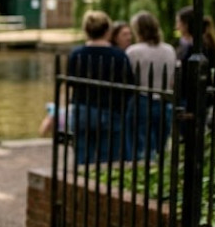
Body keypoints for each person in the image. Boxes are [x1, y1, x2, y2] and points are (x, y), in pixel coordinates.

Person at [67, 10, 134, 164]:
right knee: (109, 162)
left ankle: (82, 185)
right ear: (108, 31)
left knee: (82, 158)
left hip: (82, 109)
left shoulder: (77, 54)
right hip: (110, 110)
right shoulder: (118, 55)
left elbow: (71, 82)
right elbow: (129, 85)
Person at [125, 11, 176, 158]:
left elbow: (129, 77)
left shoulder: (134, 51)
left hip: (142, 98)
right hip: (164, 99)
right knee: (161, 144)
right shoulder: (169, 50)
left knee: (140, 145)